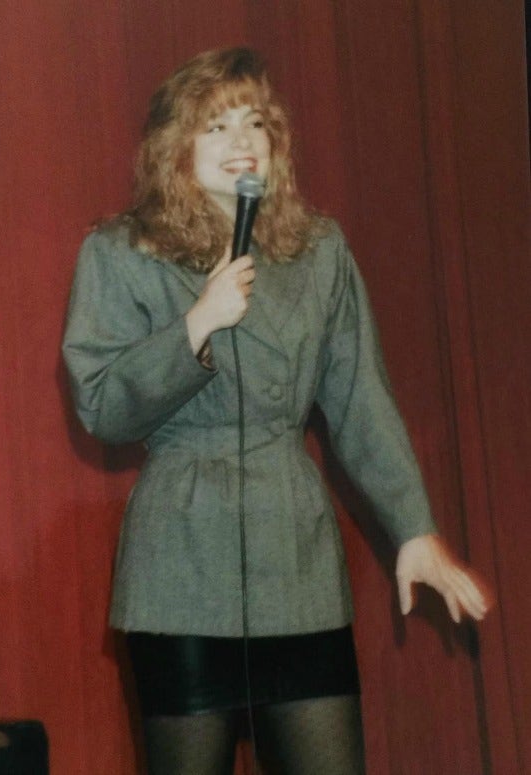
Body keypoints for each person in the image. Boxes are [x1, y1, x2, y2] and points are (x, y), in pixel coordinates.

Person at [62, 47, 491, 775]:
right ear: (176, 147)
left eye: (254, 122)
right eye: (215, 125)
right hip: (180, 565)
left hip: (295, 554)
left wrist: (414, 527)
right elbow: (102, 406)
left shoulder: (319, 252)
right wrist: (197, 323)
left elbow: (362, 402)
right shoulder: (120, 252)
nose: (241, 141)